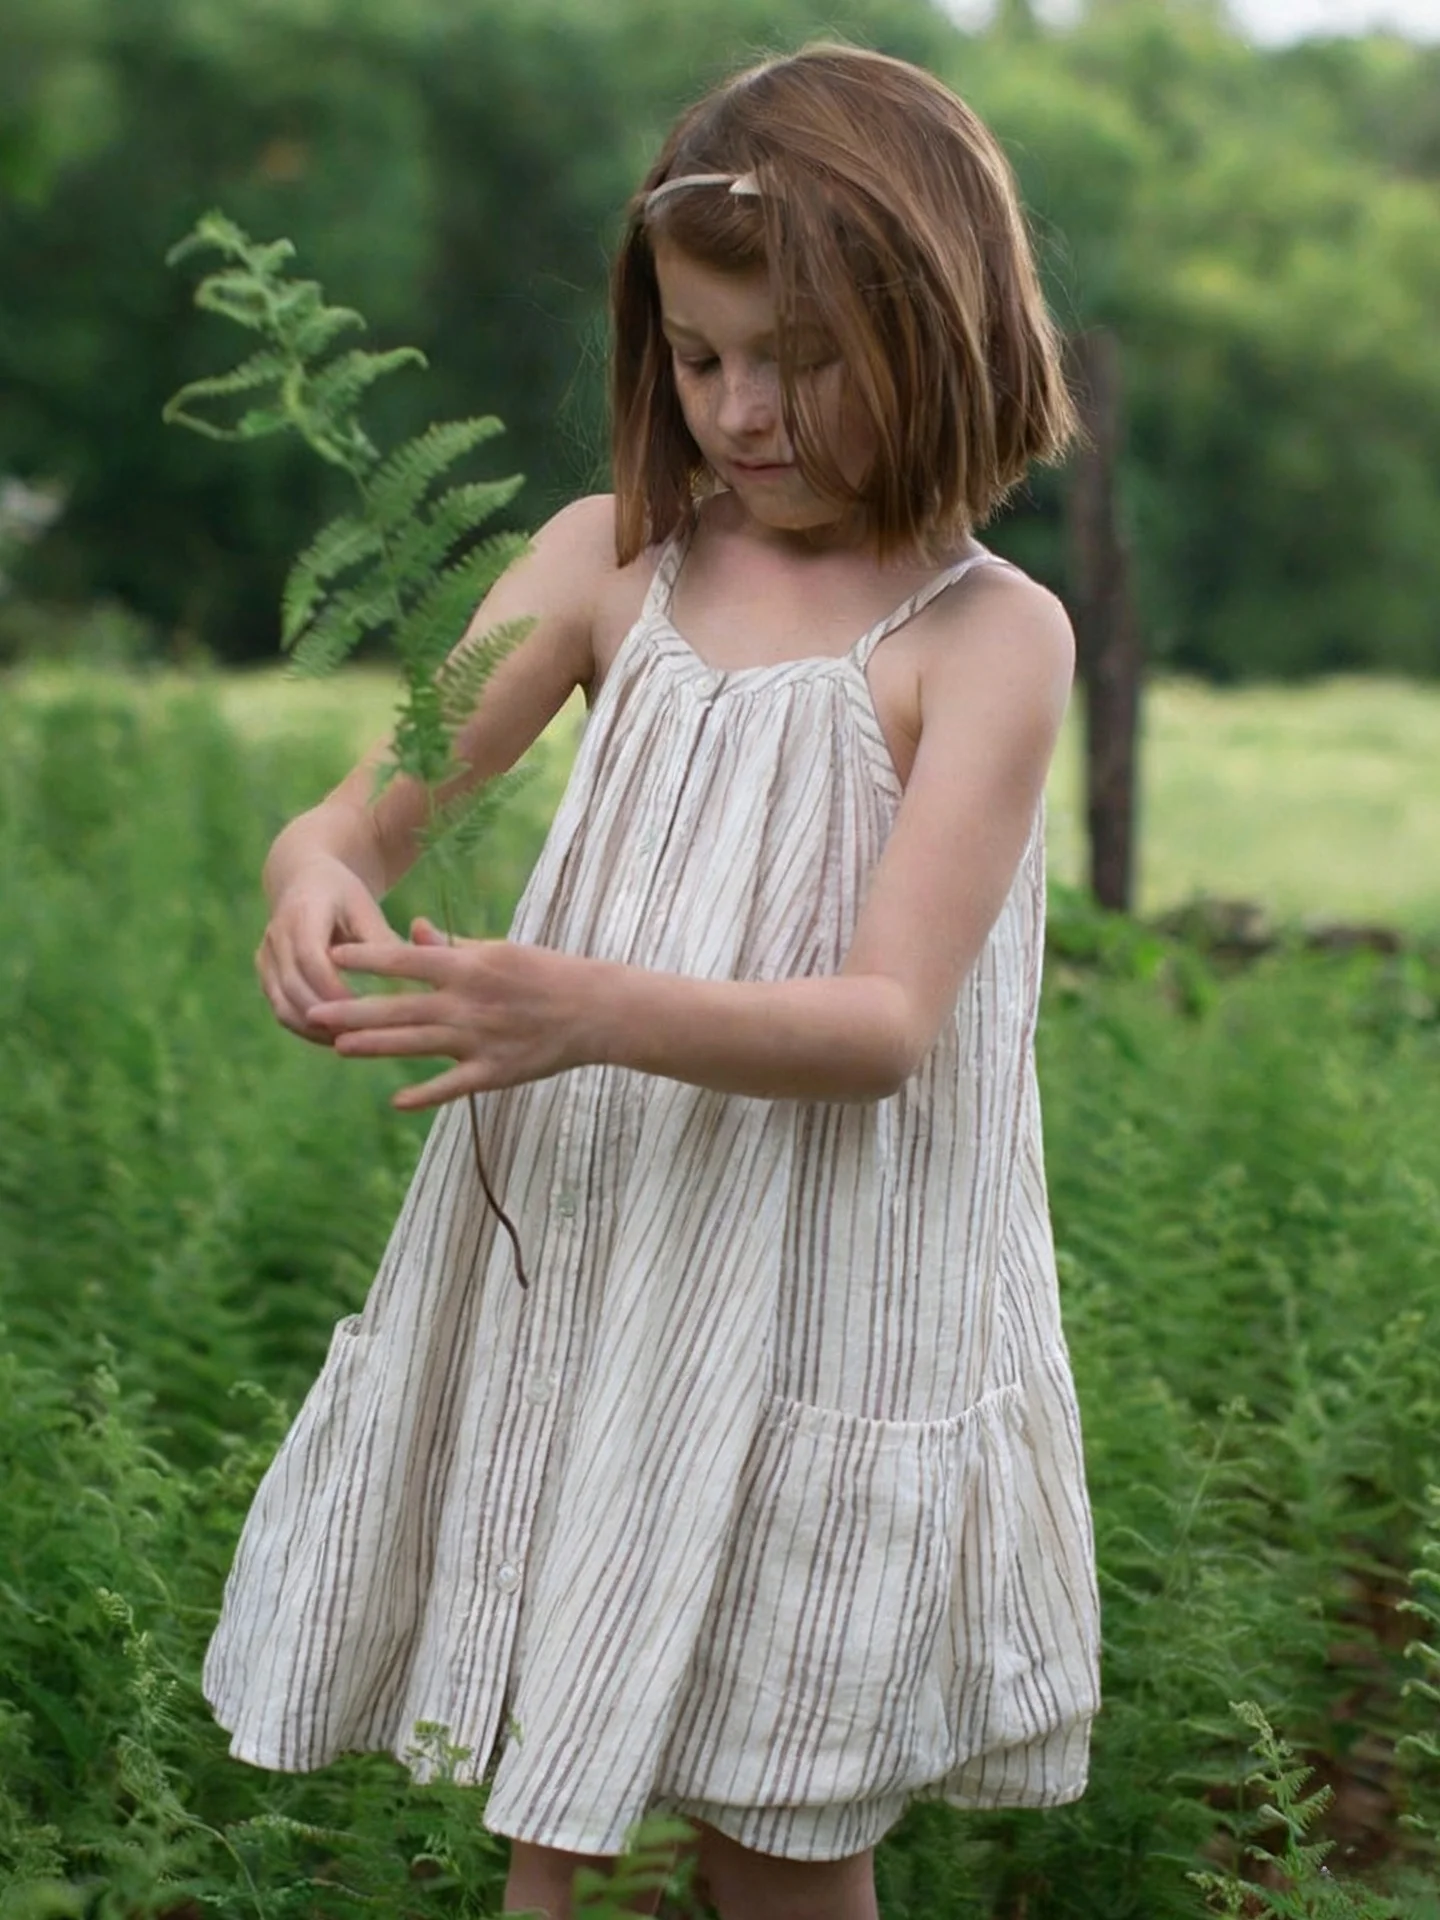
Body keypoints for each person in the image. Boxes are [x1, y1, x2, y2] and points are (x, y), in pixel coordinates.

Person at [203, 40, 1102, 1920]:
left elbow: (884, 1030)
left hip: (823, 1299)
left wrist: (582, 1010)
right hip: (603, 1272)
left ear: (942, 334)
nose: (744, 412)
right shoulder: (603, 564)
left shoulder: (989, 643)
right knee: (558, 1810)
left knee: (781, 1837)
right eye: (702, 363)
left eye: (802, 360)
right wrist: (317, 874)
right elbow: (377, 805)